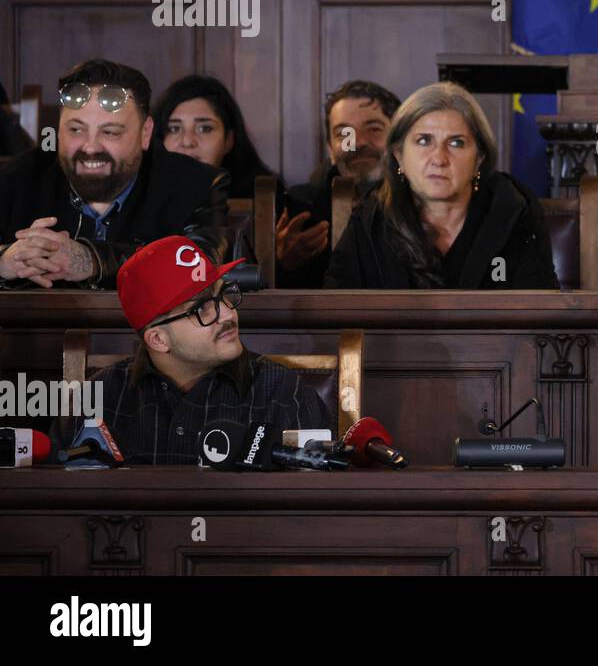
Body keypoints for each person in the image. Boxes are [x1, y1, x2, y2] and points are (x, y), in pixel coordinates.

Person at [88, 235, 331, 465]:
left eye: (224, 294)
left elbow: (310, 500)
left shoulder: (285, 392)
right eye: (202, 308)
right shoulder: (99, 396)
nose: (228, 314)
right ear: (158, 340)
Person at [0, 59, 229, 290]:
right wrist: (5, 262)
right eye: (75, 130)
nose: (90, 147)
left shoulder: (195, 184)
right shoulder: (16, 179)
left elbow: (199, 267)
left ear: (145, 133)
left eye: (110, 132)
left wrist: (91, 260)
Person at [324, 82, 557, 289]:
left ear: (479, 158)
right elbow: (337, 315)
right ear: (399, 155)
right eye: (424, 141)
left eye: (456, 143)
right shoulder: (371, 216)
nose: (439, 158)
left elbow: (539, 315)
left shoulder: (513, 208)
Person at [277, 80, 400, 288]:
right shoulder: (300, 206)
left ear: (399, 139)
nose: (358, 142)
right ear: (330, 149)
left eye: (374, 129)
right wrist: (284, 263)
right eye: (345, 134)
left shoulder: (423, 204)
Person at [152, 74, 281, 200]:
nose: (187, 141)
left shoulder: (264, 200)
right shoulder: (143, 197)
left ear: (228, 140)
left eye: (204, 129)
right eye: (174, 129)